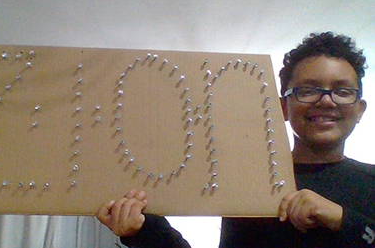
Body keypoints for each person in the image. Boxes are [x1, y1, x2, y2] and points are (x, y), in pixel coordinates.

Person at [96, 32, 375, 247]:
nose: (326, 101)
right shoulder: (248, 184)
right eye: (308, 90)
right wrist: (143, 230)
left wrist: (342, 220)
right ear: (282, 108)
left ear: (360, 109)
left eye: (342, 91)